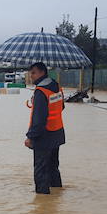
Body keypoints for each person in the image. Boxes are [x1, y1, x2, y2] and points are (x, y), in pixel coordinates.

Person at [24, 62, 65, 194]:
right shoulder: (56, 86)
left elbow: (39, 119)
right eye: (31, 73)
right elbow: (61, 107)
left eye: (34, 73)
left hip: (44, 136)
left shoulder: (41, 92)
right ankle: (57, 195)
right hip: (57, 133)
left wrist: (30, 137)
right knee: (53, 167)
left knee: (41, 171)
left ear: (42, 72)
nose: (31, 76)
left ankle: (43, 202)